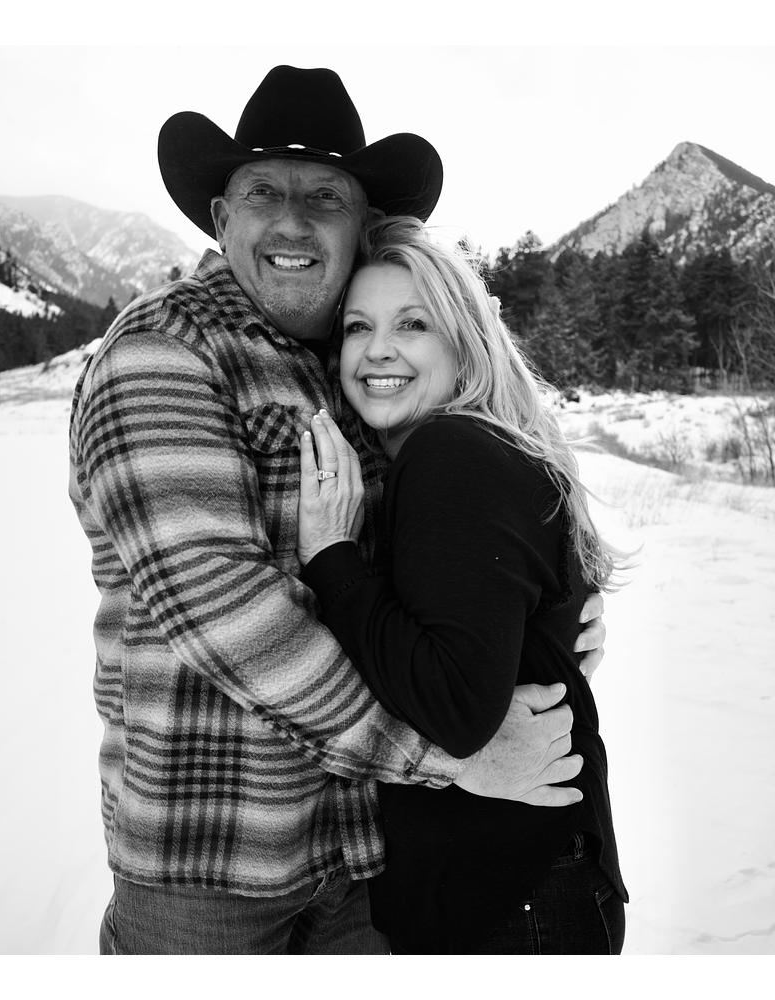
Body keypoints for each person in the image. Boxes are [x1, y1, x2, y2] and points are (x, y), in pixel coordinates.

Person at [68, 65, 607, 955]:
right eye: (263, 193)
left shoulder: (356, 365)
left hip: (362, 863)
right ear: (221, 218)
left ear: (362, 226)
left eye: (325, 197)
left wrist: (536, 621)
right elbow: (223, 612)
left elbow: (448, 553)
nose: (292, 221)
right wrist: (451, 753)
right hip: (212, 870)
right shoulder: (162, 354)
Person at [296, 216, 628, 954]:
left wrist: (332, 559)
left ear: (464, 344)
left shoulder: (450, 452)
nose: (378, 349)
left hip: (515, 901)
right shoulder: (485, 447)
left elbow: (458, 708)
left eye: (412, 324)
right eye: (357, 327)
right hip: (530, 881)